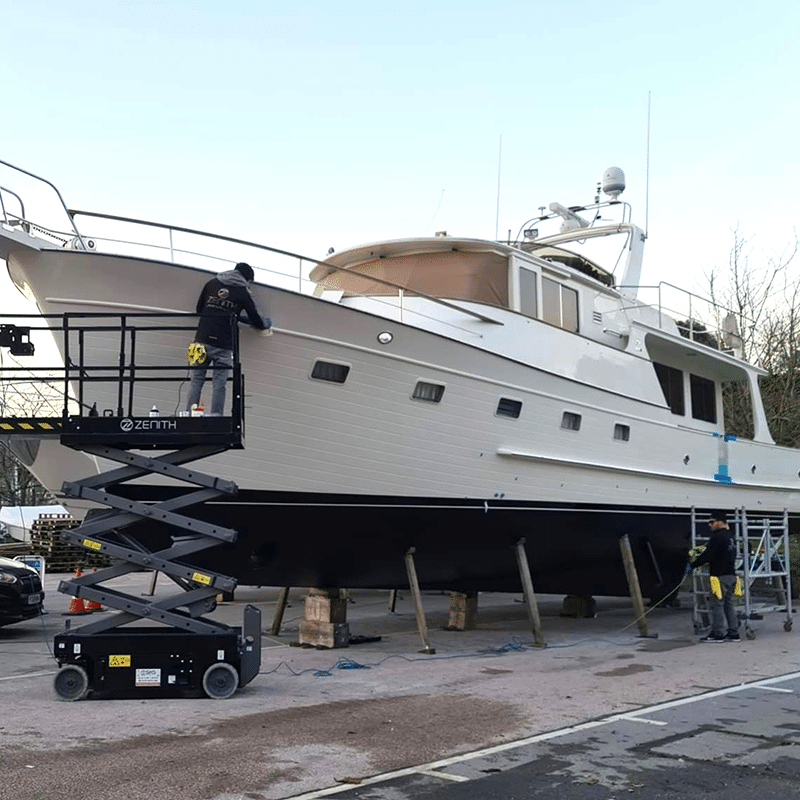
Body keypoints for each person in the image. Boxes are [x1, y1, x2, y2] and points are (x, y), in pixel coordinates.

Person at [186, 262, 271, 416]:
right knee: (219, 384)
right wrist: (264, 324)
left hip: (200, 341)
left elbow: (199, 309)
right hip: (223, 346)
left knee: (196, 380)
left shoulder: (212, 283)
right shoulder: (243, 291)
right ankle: (215, 416)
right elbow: (256, 318)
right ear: (247, 278)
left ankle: (189, 414)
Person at [689, 510, 741, 642]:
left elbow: (708, 554)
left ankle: (718, 633)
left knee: (716, 604)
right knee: (729, 605)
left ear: (720, 522)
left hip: (718, 577)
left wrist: (693, 565)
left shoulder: (717, 538)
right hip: (731, 575)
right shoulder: (731, 537)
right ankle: (733, 633)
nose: (710, 525)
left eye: (712, 522)